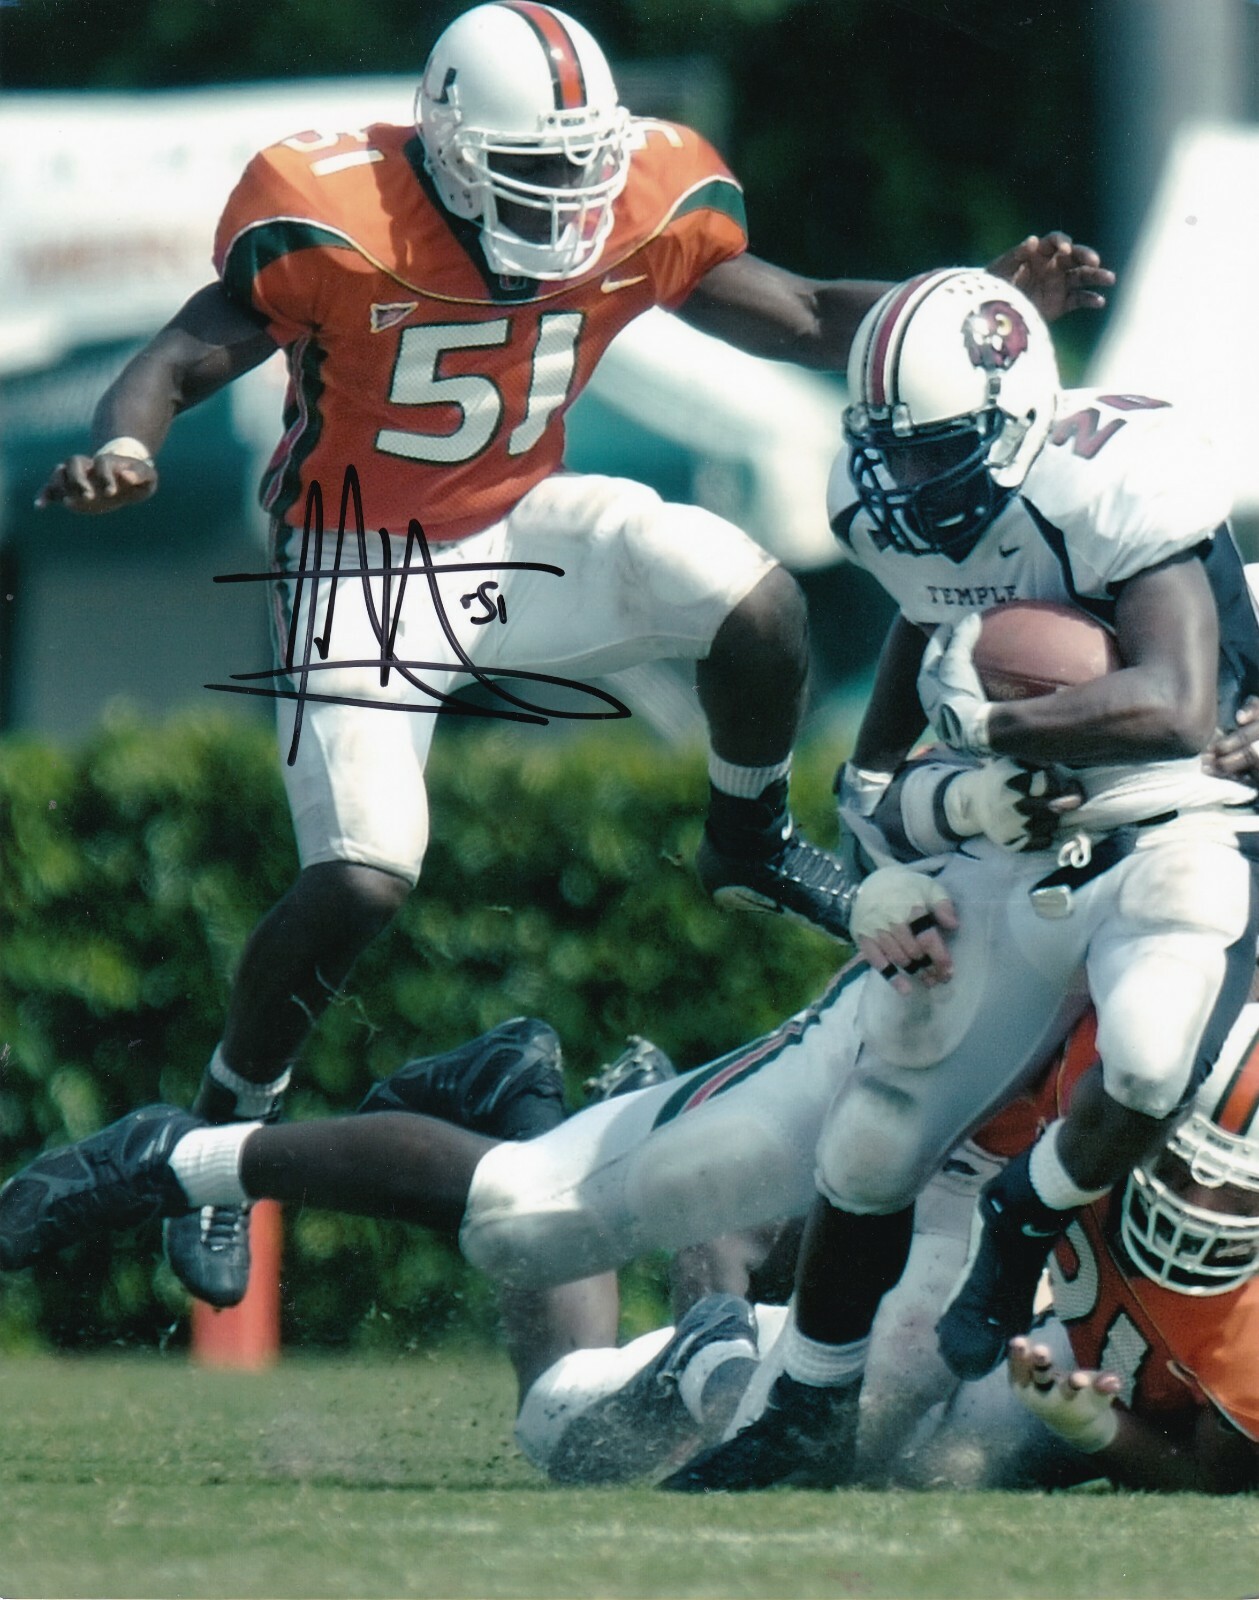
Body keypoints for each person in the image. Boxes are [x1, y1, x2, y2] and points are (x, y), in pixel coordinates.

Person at [33, 0, 1111, 1310]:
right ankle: (227, 1105)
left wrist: (969, 308)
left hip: (518, 525)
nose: (566, 199)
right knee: (365, 878)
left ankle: (746, 833)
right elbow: (178, 354)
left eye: (579, 168)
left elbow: (805, 310)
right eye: (533, 170)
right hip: (355, 561)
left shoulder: (637, 206)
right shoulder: (337, 213)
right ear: (447, 145)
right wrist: (128, 443)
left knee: (751, 599)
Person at [659, 264, 1259, 1489]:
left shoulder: (1125, 483)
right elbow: (876, 782)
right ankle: (786, 1394)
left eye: (937, 451)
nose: (906, 486)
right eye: (894, 451)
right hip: (1027, 857)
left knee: (1158, 1078)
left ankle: (1013, 1238)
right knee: (870, 1139)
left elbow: (1176, 706)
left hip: (1183, 831)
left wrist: (990, 733)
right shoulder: (906, 529)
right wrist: (926, 824)